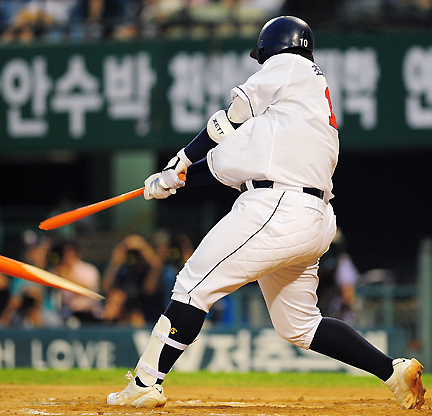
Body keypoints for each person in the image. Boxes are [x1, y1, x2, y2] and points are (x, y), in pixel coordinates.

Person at [106, 16, 425, 409]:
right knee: (300, 325)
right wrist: (174, 178)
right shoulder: (294, 115)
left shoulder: (290, 66)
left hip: (278, 208)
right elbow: (224, 163)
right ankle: (392, 371)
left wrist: (181, 159)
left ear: (271, 49)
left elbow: (229, 119)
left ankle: (145, 383)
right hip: (311, 217)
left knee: (191, 286)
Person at [102, 234, 164, 326]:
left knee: (137, 319)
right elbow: (106, 287)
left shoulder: (148, 268)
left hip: (145, 309)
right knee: (112, 304)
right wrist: (118, 257)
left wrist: (142, 247)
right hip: (125, 308)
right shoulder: (123, 269)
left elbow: (150, 288)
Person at [47, 238, 103, 325]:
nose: (68, 255)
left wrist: (65, 277)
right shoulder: (55, 271)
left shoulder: (88, 269)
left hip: (88, 315)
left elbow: (88, 292)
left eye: (70, 251)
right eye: (64, 252)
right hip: (65, 315)